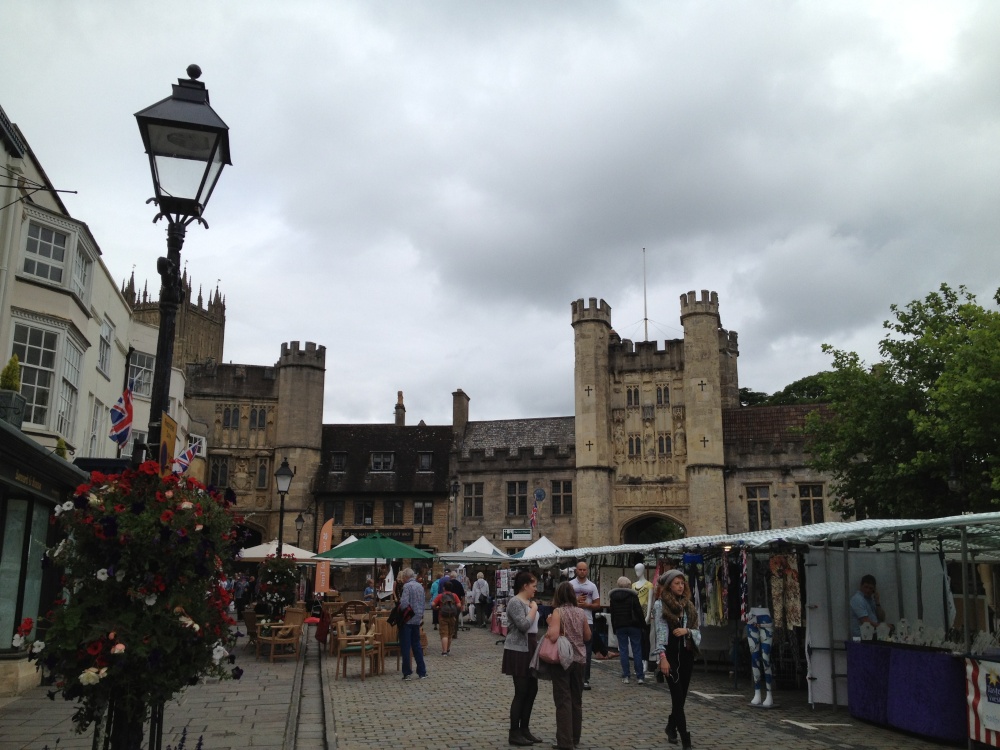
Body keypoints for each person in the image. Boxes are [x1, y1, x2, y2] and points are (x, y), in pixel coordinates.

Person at [653, 570, 700, 749]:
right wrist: (662, 658)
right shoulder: (660, 605)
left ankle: (671, 727)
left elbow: (697, 630)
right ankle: (685, 738)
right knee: (677, 696)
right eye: (676, 583)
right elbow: (659, 632)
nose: (680, 586)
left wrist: (686, 631)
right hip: (670, 656)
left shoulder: (688, 605)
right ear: (669, 586)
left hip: (686, 655)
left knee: (681, 698)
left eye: (682, 583)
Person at [546, 581, 591, 750]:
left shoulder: (558, 612)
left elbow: (553, 636)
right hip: (579, 659)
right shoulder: (581, 612)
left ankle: (565, 741)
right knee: (576, 700)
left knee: (563, 700)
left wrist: (550, 622)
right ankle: (575, 736)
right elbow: (587, 636)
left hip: (563, 659)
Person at [503, 570, 541, 746]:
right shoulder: (515, 602)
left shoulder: (528, 602)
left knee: (532, 690)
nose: (535, 589)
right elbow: (524, 625)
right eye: (533, 585)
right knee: (521, 691)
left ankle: (524, 728)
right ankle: (514, 732)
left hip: (531, 647)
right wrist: (533, 609)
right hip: (518, 649)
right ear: (525, 586)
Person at [609, 575, 645, 684]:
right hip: (634, 625)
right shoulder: (633, 596)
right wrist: (643, 625)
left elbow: (613, 615)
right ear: (629, 585)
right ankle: (639, 676)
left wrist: (614, 627)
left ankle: (626, 675)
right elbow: (639, 611)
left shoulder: (613, 598)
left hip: (620, 625)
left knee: (623, 651)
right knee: (637, 650)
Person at [570, 560, 600, 690]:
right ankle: (572, 677)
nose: (582, 572)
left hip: (588, 621)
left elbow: (597, 604)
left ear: (587, 571)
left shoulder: (592, 586)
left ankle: (585, 678)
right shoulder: (570, 585)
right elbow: (563, 602)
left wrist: (587, 605)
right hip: (573, 621)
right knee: (572, 649)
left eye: (584, 570)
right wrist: (575, 602)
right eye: (580, 569)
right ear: (576, 570)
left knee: (587, 651)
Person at [398, 568, 428, 681]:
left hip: (407, 619)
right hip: (417, 619)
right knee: (417, 645)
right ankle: (422, 671)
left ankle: (407, 672)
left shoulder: (407, 586)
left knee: (406, 646)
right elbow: (423, 602)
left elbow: (404, 603)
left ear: (406, 577)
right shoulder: (420, 586)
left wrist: (399, 609)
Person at [632, 563, 654, 673]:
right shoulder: (633, 585)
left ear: (643, 570)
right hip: (636, 614)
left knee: (645, 639)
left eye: (639, 570)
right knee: (637, 639)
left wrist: (648, 615)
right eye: (636, 570)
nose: (637, 572)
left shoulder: (649, 585)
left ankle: (645, 661)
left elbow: (650, 601)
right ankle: (639, 662)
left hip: (645, 612)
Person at [850, 574, 887, 638]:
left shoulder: (871, 600)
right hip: (862, 636)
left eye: (870, 588)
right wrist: (883, 627)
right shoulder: (857, 599)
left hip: (872, 634)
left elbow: (882, 618)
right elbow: (865, 622)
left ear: (874, 589)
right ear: (861, 586)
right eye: (866, 587)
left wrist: (877, 602)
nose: (868, 590)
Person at [432, 585, 461, 655]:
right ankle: (448, 649)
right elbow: (459, 605)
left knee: (444, 634)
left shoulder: (440, 596)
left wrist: (437, 608)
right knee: (450, 634)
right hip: (452, 616)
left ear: (444, 588)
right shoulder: (454, 595)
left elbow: (433, 604)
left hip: (442, 616)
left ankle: (444, 651)